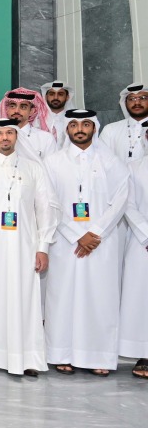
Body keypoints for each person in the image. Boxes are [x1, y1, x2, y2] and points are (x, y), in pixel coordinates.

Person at [0, 118, 59, 377]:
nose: (4, 138)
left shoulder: (33, 168)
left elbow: (45, 210)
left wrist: (43, 247)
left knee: (24, 300)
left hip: (24, 247)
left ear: (17, 136)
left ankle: (26, 357)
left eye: (9, 133)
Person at [43, 109, 130, 376]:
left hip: (101, 241)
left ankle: (98, 357)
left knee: (99, 297)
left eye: (85, 124)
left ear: (94, 128)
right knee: (62, 297)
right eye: (74, 125)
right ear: (67, 130)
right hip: (65, 242)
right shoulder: (53, 161)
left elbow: (121, 198)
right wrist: (76, 234)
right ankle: (61, 354)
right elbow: (49, 202)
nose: (79, 129)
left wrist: (96, 232)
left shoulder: (111, 161)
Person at [122, 132, 148, 379]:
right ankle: (145, 354)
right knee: (142, 299)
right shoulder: (133, 168)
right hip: (143, 243)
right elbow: (128, 204)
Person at [0, 88, 58, 159]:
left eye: (23, 107)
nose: (17, 110)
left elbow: (51, 167)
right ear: (6, 109)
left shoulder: (45, 138)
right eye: (12, 106)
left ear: (31, 111)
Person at [97, 83, 148, 162]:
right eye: (132, 99)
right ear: (125, 103)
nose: (137, 103)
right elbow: (101, 161)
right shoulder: (110, 130)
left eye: (143, 98)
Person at [40, 80, 76, 146]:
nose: (55, 97)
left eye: (60, 94)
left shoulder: (74, 121)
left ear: (67, 97)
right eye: (51, 94)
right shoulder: (38, 119)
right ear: (45, 97)